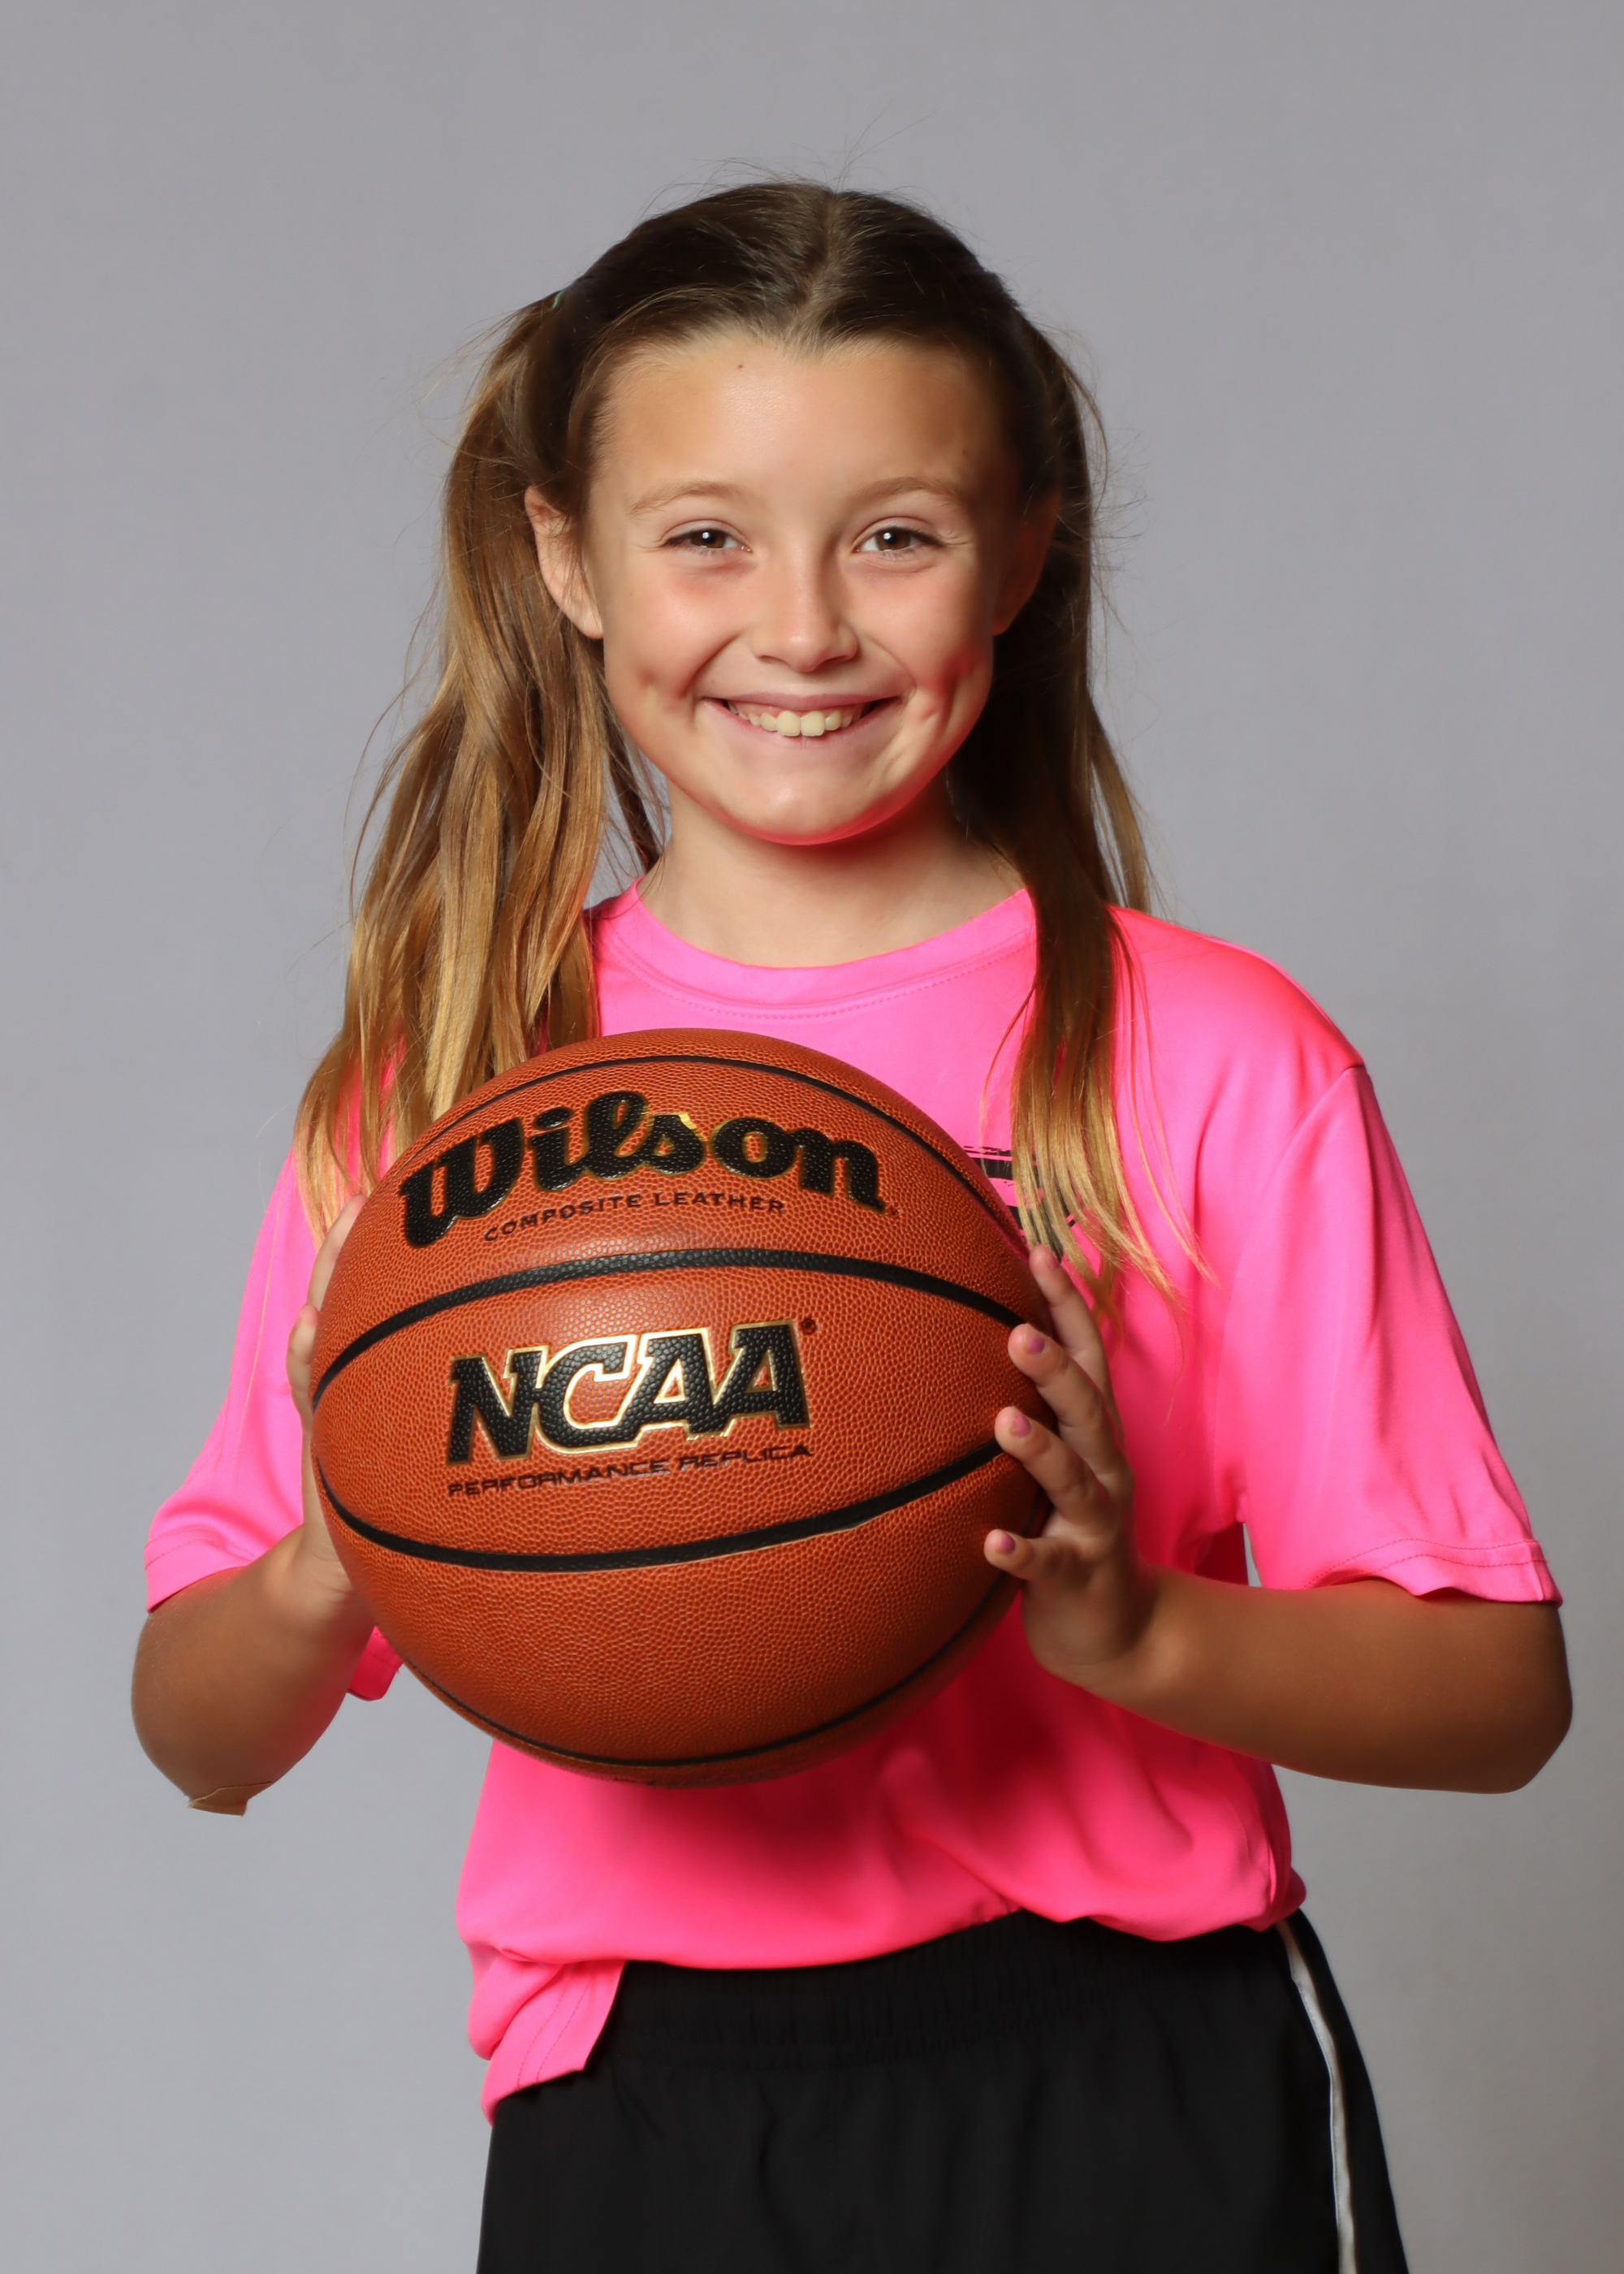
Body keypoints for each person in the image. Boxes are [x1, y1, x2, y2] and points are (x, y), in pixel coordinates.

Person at [132, 182, 1570, 2273]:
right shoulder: (453, 1090)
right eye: (706, 535)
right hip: (643, 2096)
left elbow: (1498, 1691)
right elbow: (197, 1734)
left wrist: (1139, 1632)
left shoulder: (1209, 1056)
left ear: (1022, 552)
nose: (801, 626)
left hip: (1134, 2061)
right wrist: (336, 1552)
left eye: (893, 535)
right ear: (566, 559)